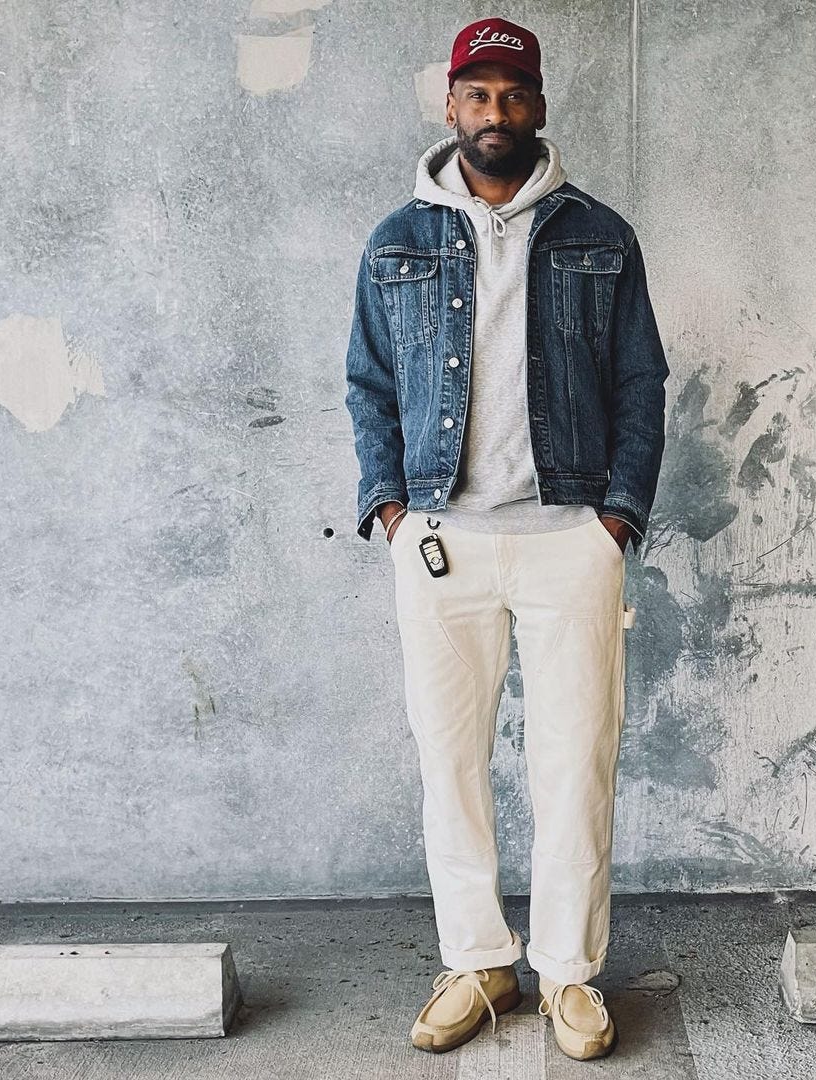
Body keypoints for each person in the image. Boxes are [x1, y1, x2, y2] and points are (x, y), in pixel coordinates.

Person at [343, 16, 669, 1062]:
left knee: (576, 762)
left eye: (513, 94)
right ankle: (481, 962)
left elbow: (640, 384)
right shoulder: (396, 238)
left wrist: (615, 520)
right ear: (451, 105)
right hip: (441, 541)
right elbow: (368, 385)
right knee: (453, 765)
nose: (495, 112)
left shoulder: (599, 235)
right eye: (476, 95)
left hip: (570, 535)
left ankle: (569, 974)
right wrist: (392, 509)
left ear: (538, 105)